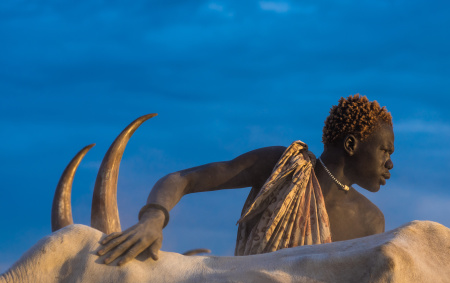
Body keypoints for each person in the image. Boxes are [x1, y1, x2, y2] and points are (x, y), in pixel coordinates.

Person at [97, 94, 394, 265]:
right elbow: (182, 179)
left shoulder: (370, 223)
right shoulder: (283, 167)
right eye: (384, 151)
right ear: (352, 145)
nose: (390, 163)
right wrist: (152, 220)